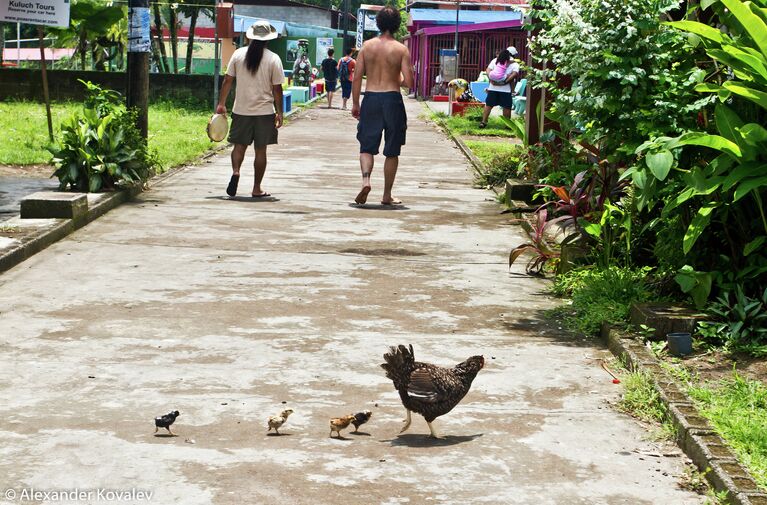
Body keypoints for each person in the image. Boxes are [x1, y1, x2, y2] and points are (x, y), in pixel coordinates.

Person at [351, 6, 414, 205]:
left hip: (371, 98)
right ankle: (386, 195)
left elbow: (356, 79)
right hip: (392, 99)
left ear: (378, 23)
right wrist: (397, 78)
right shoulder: (401, 49)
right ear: (396, 25)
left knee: (366, 147)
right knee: (392, 150)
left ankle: (366, 181)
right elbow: (409, 82)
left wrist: (355, 103)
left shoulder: (367, 47)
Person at [216, 20, 284, 198]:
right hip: (264, 112)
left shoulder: (238, 55)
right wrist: (280, 112)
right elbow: (277, 89)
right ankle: (256, 188)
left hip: (241, 110)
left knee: (239, 147)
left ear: (250, 37)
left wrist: (221, 104)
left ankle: (236, 171)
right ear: (268, 39)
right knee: (260, 150)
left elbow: (227, 80)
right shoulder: (273, 59)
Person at [480, 47, 520, 128]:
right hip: (506, 89)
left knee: (489, 105)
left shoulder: (495, 60)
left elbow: (488, 70)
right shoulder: (515, 63)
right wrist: (504, 82)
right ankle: (507, 125)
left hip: (493, 87)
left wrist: (491, 80)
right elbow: (514, 74)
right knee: (507, 107)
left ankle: (483, 122)